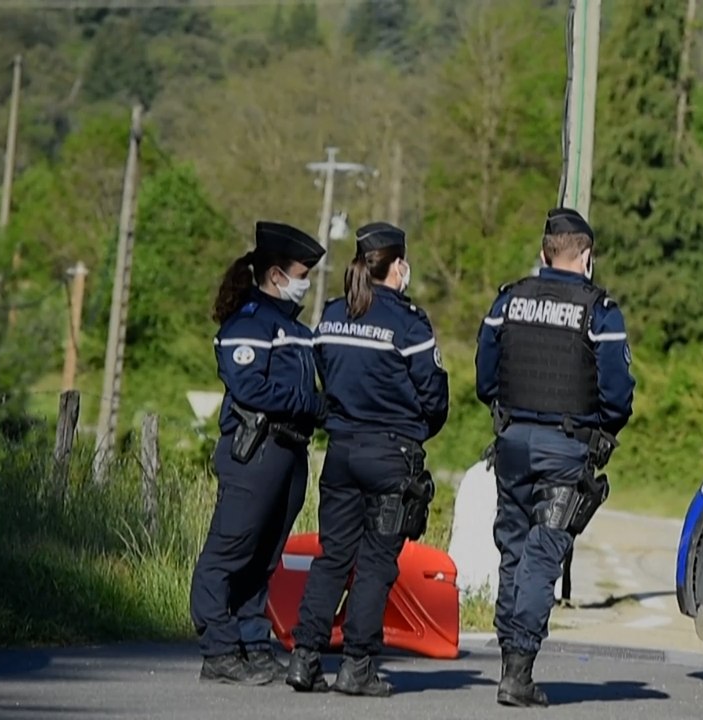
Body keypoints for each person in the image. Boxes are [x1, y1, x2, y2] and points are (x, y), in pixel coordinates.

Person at [475, 207, 635, 707]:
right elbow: (617, 394)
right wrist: (601, 429)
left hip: (512, 442)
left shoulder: (508, 300)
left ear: (545, 252)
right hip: (565, 447)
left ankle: (509, 661)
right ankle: (518, 672)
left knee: (513, 551)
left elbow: (485, 376)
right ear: (585, 255)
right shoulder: (599, 310)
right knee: (543, 556)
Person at [284, 222, 449, 697]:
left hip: (340, 452)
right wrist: (416, 431)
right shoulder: (409, 323)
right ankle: (357, 666)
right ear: (397, 266)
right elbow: (435, 396)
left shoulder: (333, 316)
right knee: (376, 563)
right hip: (390, 455)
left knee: (332, 557)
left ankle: (304, 658)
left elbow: (323, 375)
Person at [190, 221, 327, 685]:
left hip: (289, 452)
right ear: (274, 275)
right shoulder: (248, 322)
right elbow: (250, 386)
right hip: (256, 450)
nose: (305, 281)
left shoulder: (293, 327)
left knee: (264, 557)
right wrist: (311, 404)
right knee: (229, 552)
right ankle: (218, 646)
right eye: (301, 272)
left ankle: (252, 640)